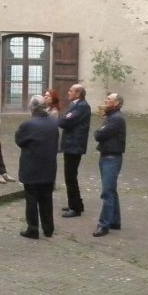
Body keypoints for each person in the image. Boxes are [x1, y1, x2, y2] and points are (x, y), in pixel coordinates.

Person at [15, 95, 59, 239]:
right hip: (49, 166)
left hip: (32, 167)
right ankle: (48, 228)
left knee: (32, 198)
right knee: (47, 198)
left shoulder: (28, 124)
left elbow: (19, 140)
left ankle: (33, 228)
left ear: (32, 107)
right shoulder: (53, 123)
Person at [93, 93, 127, 237]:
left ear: (117, 103)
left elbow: (99, 135)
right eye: (106, 99)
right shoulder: (111, 117)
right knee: (111, 190)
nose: (106, 101)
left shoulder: (116, 119)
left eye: (109, 100)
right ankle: (115, 221)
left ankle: (104, 225)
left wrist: (99, 131)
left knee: (107, 192)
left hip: (111, 158)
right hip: (108, 156)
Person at [58, 84, 91, 218]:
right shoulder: (74, 105)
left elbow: (65, 122)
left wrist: (64, 118)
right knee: (70, 177)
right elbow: (64, 119)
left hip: (74, 146)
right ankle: (77, 203)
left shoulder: (82, 106)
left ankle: (75, 208)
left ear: (78, 94)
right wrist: (64, 118)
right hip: (70, 145)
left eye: (71, 91)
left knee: (70, 177)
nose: (68, 92)